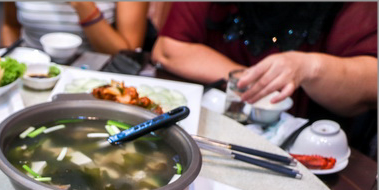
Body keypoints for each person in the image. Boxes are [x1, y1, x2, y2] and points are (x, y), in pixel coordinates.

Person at [152, 2, 377, 118]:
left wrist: (309, 67)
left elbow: (371, 82)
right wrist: (256, 80)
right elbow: (168, 48)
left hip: (306, 136)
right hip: (219, 115)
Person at [1, 2, 150, 55]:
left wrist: (84, 7)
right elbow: (10, 26)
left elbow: (129, 54)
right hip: (32, 72)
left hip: (94, 77)